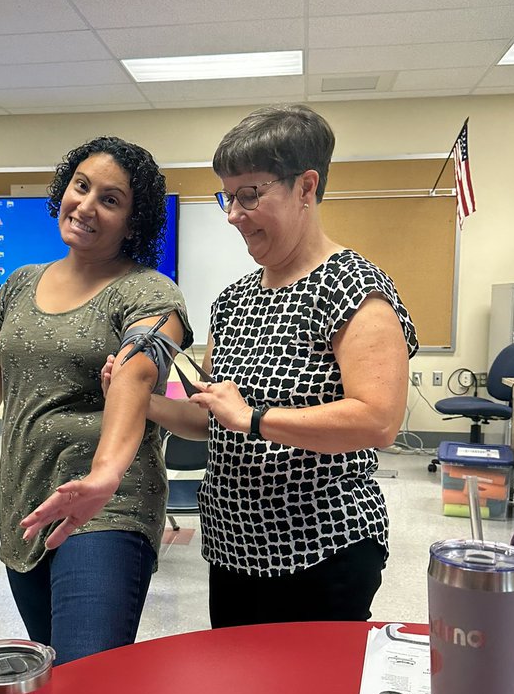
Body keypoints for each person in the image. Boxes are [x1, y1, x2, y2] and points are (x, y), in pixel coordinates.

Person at [121, 105, 417, 626]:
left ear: (306, 188)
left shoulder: (352, 289)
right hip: (235, 550)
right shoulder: (234, 301)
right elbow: (212, 417)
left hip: (322, 550)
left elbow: (379, 422)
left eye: (250, 195)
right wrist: (140, 400)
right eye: (227, 197)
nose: (233, 213)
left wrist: (255, 419)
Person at [0, 136, 191, 664]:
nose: (86, 205)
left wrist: (104, 474)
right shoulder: (19, 286)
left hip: (110, 506)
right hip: (26, 502)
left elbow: (138, 369)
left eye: (110, 200)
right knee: (52, 672)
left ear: (134, 223)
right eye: (81, 186)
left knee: (86, 675)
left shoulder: (149, 292)